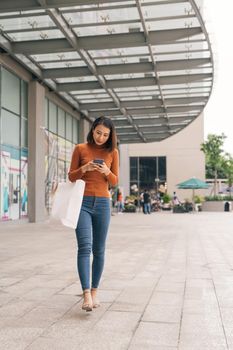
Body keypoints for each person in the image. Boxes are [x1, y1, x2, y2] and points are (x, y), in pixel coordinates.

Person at [68, 116, 119, 312]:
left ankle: (95, 291)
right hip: (82, 203)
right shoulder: (80, 148)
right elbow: (71, 176)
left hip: (103, 204)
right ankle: (86, 294)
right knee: (84, 247)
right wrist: (85, 168)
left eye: (106, 135)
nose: (101, 137)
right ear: (92, 130)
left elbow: (114, 181)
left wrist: (106, 171)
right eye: (98, 132)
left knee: (99, 250)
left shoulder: (112, 152)